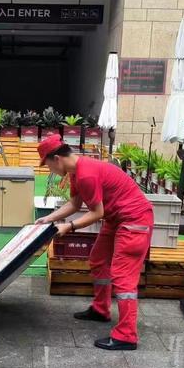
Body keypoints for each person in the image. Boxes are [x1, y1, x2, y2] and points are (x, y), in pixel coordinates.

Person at [36, 135, 153, 350]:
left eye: (47, 165)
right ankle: (101, 309)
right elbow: (75, 203)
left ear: (57, 159)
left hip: (134, 219)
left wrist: (69, 227)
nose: (49, 170)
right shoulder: (75, 172)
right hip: (115, 217)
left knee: (123, 276)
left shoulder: (86, 174)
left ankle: (127, 336)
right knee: (98, 259)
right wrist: (49, 218)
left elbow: (96, 213)